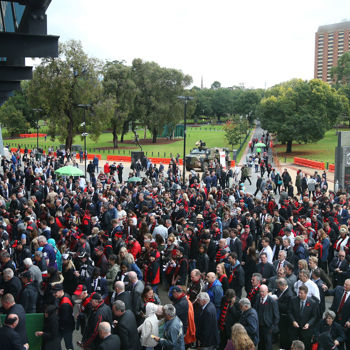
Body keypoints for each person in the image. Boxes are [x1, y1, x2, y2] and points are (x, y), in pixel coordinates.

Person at [288, 285, 318, 350]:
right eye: (299, 292)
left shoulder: (312, 303)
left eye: (301, 293)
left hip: (305, 329)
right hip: (294, 327)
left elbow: (314, 316)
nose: (299, 294)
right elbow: (289, 312)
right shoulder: (293, 300)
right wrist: (293, 321)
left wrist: (308, 324)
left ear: (306, 293)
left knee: (305, 345)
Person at [52, 283, 75, 350]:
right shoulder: (66, 295)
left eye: (55, 292)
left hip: (66, 327)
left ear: (61, 291)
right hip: (65, 326)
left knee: (68, 345)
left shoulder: (65, 304)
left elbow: (64, 319)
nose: (54, 294)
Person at [256, 284, 280, 350]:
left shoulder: (272, 301)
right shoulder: (258, 297)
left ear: (267, 291)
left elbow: (276, 316)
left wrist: (272, 327)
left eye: (263, 292)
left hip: (268, 327)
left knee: (267, 345)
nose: (261, 293)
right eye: (260, 291)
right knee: (260, 343)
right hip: (259, 326)